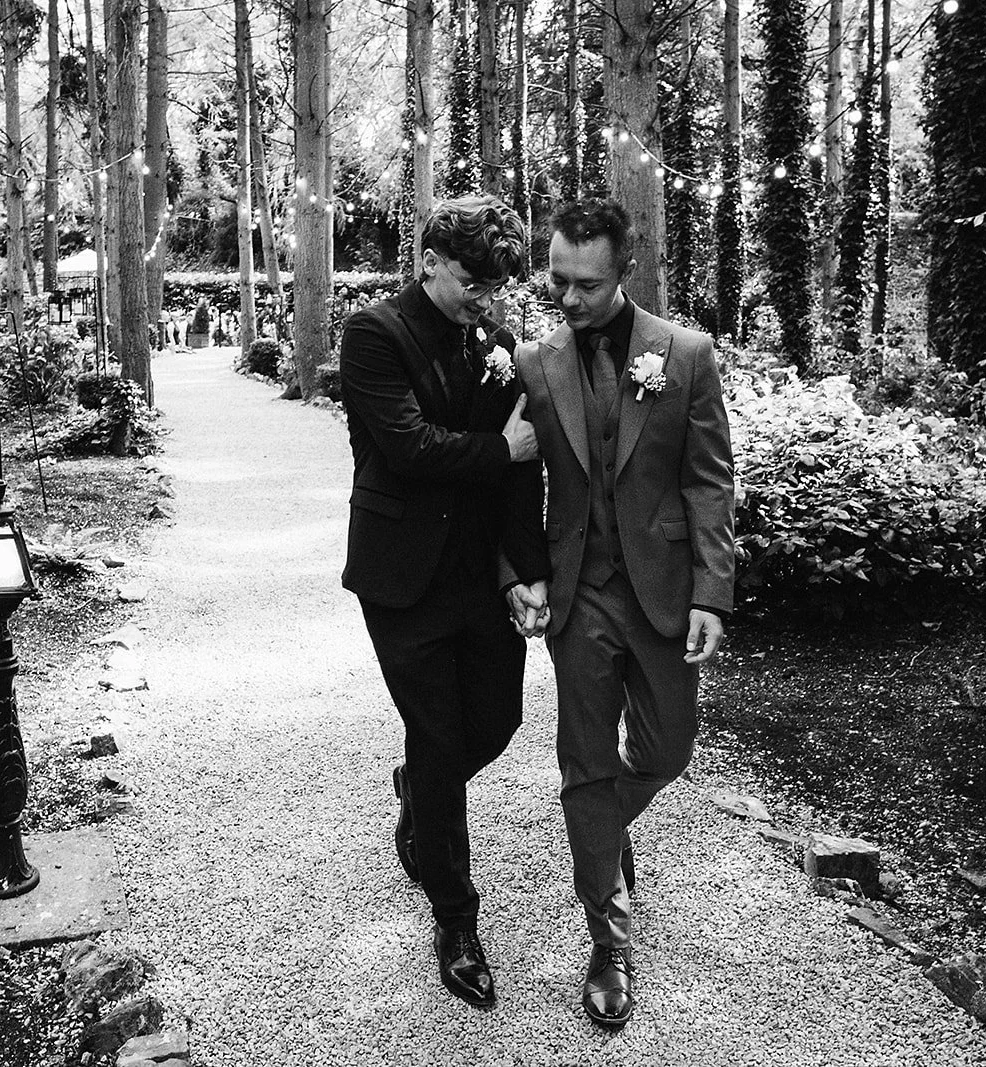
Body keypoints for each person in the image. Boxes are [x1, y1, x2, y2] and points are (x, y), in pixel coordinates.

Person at [511, 197, 736, 1027]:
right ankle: (609, 937)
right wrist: (518, 576)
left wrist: (713, 590)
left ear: (624, 273)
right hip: (579, 594)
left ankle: (600, 829)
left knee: (669, 749)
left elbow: (709, 479)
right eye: (557, 281)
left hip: (664, 593)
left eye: (586, 285)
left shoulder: (685, 353)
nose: (566, 299)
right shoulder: (534, 363)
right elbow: (510, 486)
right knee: (583, 762)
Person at [340, 196, 548, 1008]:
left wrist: (525, 571)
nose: (485, 298)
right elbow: (408, 447)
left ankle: (419, 793)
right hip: (402, 577)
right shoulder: (373, 334)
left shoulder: (495, 345)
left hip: (475, 577)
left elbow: (517, 478)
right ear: (428, 259)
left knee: (496, 721)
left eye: (495, 286)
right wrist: (502, 445)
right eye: (471, 281)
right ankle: (456, 921)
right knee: (436, 727)